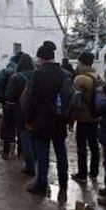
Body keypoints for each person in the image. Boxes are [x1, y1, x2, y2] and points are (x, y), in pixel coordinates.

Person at [26, 41, 69, 196]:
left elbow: (33, 100)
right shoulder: (64, 73)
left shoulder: (39, 73)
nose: (38, 61)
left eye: (39, 58)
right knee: (61, 153)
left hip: (42, 121)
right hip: (60, 120)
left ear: (42, 58)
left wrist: (29, 120)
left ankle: (41, 184)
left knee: (43, 154)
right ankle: (64, 183)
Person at [70, 51, 100, 183]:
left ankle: (82, 174)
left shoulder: (80, 79)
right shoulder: (98, 76)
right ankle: (94, 173)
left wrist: (70, 120)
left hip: (83, 118)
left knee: (82, 147)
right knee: (94, 146)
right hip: (96, 117)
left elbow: (74, 101)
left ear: (81, 62)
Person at [5, 53, 36, 175]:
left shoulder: (16, 77)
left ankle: (30, 166)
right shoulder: (36, 74)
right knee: (34, 138)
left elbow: (9, 96)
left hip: (21, 111)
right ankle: (36, 161)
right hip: (35, 111)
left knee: (25, 138)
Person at [0, 52, 24, 159]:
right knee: (17, 125)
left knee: (7, 123)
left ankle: (5, 146)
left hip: (6, 102)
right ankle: (19, 151)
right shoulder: (15, 72)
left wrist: (2, 99)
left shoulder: (4, 70)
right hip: (15, 102)